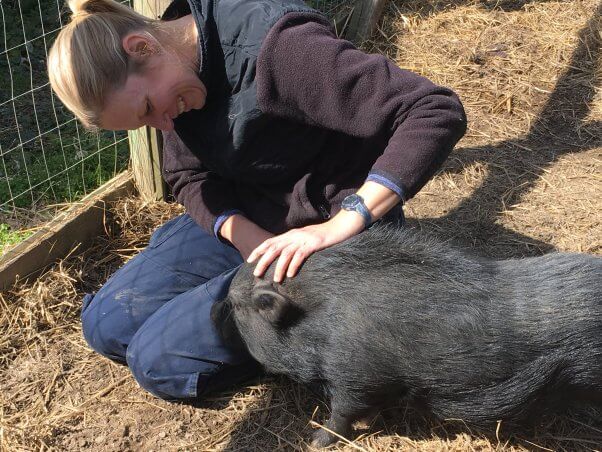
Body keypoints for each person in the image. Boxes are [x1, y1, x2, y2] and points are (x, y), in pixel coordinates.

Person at [48, 0, 467, 401]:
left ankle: (342, 324)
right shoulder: (176, 62)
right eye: (146, 123)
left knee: (158, 364)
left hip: (327, 232)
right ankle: (262, 312)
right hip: (253, 217)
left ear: (142, 47)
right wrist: (244, 235)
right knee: (106, 326)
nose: (163, 124)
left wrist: (345, 220)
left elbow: (433, 109)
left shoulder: (280, 50)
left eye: (148, 109)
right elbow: (185, 175)